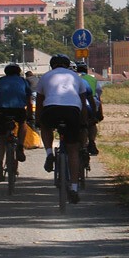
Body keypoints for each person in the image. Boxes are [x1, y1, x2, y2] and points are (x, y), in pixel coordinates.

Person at [36, 53, 90, 204]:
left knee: (45, 127)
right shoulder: (76, 77)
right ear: (67, 65)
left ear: (52, 65)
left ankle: (48, 154)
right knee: (73, 149)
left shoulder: (45, 77)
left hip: (51, 109)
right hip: (73, 111)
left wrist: (38, 121)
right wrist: (83, 122)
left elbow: (39, 102)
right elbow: (83, 102)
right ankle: (73, 187)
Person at [0, 63, 33, 181]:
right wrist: (30, 115)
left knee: (2, 139)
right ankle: (20, 146)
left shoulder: (1, 81)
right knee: (23, 123)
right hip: (18, 110)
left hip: (3, 110)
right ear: (18, 72)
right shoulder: (23, 81)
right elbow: (29, 101)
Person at [74, 61, 102, 156]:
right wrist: (99, 113)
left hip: (77, 105)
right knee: (92, 123)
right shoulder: (92, 79)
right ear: (86, 69)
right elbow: (98, 94)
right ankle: (91, 142)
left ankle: (81, 145)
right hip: (91, 104)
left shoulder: (74, 78)